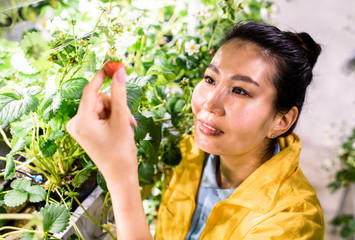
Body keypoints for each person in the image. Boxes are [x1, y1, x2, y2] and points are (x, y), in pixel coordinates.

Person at [66, 22, 325, 239]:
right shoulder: (192, 151)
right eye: (210, 79)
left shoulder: (291, 223)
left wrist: (120, 175)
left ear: (281, 120)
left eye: (240, 91)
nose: (210, 103)